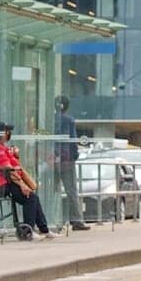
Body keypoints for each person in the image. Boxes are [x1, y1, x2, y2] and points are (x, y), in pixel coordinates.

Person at [0, 121, 53, 240]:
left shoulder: (1, 148)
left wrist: (15, 156)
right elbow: (9, 170)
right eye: (7, 131)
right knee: (29, 198)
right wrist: (22, 185)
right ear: (0, 134)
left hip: (6, 183)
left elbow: (15, 166)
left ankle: (44, 230)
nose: (9, 134)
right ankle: (28, 232)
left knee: (33, 197)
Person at [52, 96, 89, 231]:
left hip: (51, 160)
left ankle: (52, 218)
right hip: (66, 160)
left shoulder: (48, 120)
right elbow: (72, 140)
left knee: (52, 191)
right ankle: (76, 220)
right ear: (67, 107)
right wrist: (75, 156)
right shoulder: (69, 120)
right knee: (71, 190)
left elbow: (43, 134)